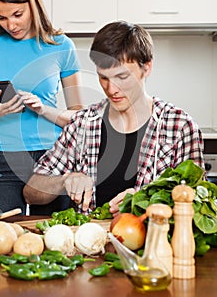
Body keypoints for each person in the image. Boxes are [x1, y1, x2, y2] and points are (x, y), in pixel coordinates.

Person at [23, 20, 205, 216]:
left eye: (122, 77)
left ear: (147, 67)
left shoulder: (179, 126)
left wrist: (144, 200)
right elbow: (30, 192)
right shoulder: (83, 123)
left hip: (152, 244)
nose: (111, 89)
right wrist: (64, 180)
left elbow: (198, 203)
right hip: (91, 243)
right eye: (103, 78)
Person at [0, 0, 83, 215]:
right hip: (0, 158)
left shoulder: (61, 46)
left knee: (54, 237)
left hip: (53, 156)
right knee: (3, 239)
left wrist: (44, 108)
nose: (11, 25)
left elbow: (79, 116)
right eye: (2, 18)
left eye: (17, 14)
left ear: (33, 4)